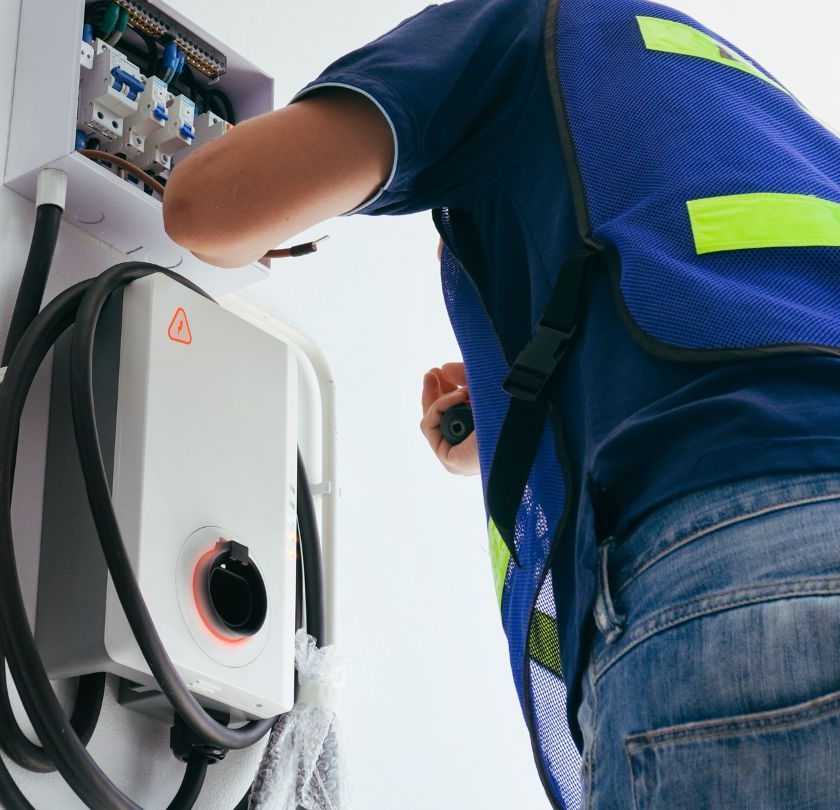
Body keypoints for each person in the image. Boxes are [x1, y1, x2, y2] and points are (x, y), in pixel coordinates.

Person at [162, 0, 840, 806]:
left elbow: (209, 205)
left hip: (736, 565)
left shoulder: (531, 24)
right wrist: (524, 411)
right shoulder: (780, 120)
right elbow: (725, 312)